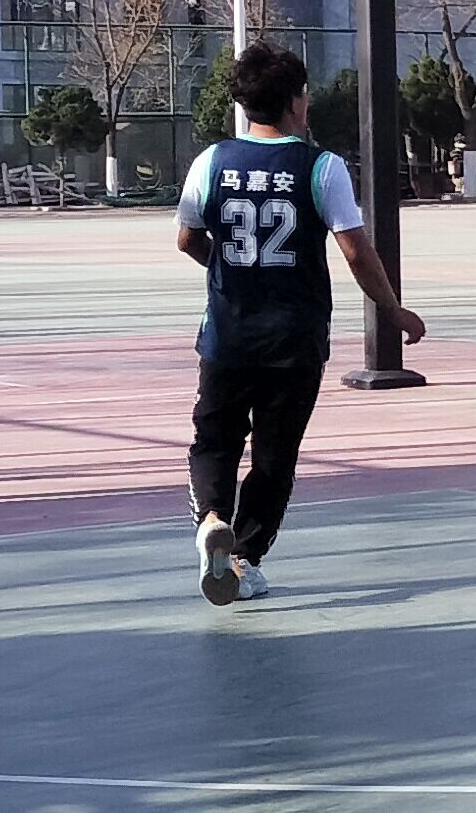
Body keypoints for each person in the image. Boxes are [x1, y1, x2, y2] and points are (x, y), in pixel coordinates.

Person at [176, 43, 425, 605]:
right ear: (294, 102)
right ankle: (244, 558)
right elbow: (356, 251)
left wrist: (228, 268)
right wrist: (392, 309)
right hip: (294, 340)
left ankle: (212, 518)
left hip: (227, 334)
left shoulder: (210, 161)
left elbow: (188, 239)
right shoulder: (321, 167)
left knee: (214, 439)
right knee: (275, 455)